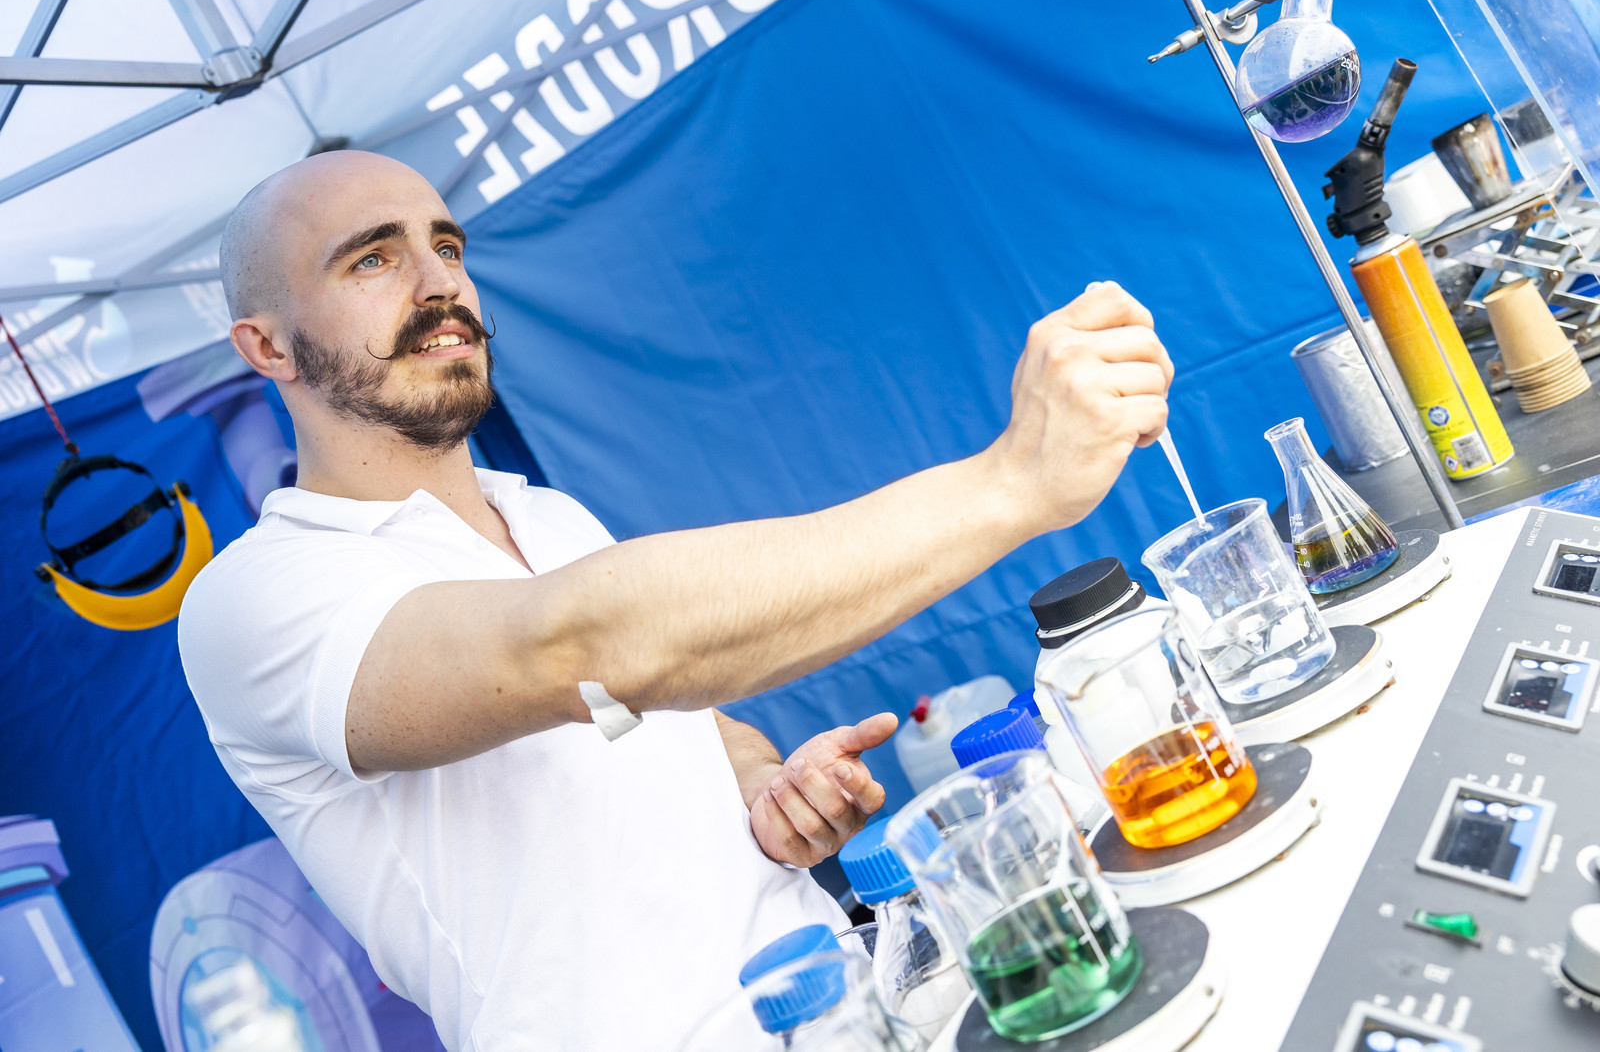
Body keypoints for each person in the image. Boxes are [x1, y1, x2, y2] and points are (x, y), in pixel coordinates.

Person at [177, 150, 1173, 1052]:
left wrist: (763, 783)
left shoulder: (546, 517)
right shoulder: (257, 597)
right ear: (267, 347)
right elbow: (587, 650)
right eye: (372, 259)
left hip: (852, 1009)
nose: (439, 283)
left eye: (447, 247)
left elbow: (648, 718)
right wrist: (1012, 482)